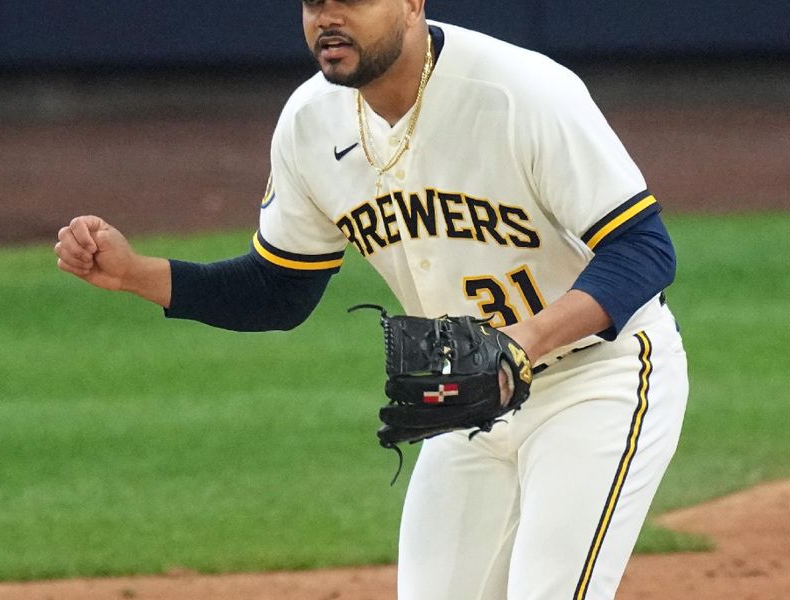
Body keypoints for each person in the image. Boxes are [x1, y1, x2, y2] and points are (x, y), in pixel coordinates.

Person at [54, 1, 689, 598]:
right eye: (313, 3)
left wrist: (522, 343)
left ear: (413, 2)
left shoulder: (520, 92)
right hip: (466, 395)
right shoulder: (310, 122)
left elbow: (644, 250)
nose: (328, 17)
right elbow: (279, 289)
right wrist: (137, 273)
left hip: (597, 381)